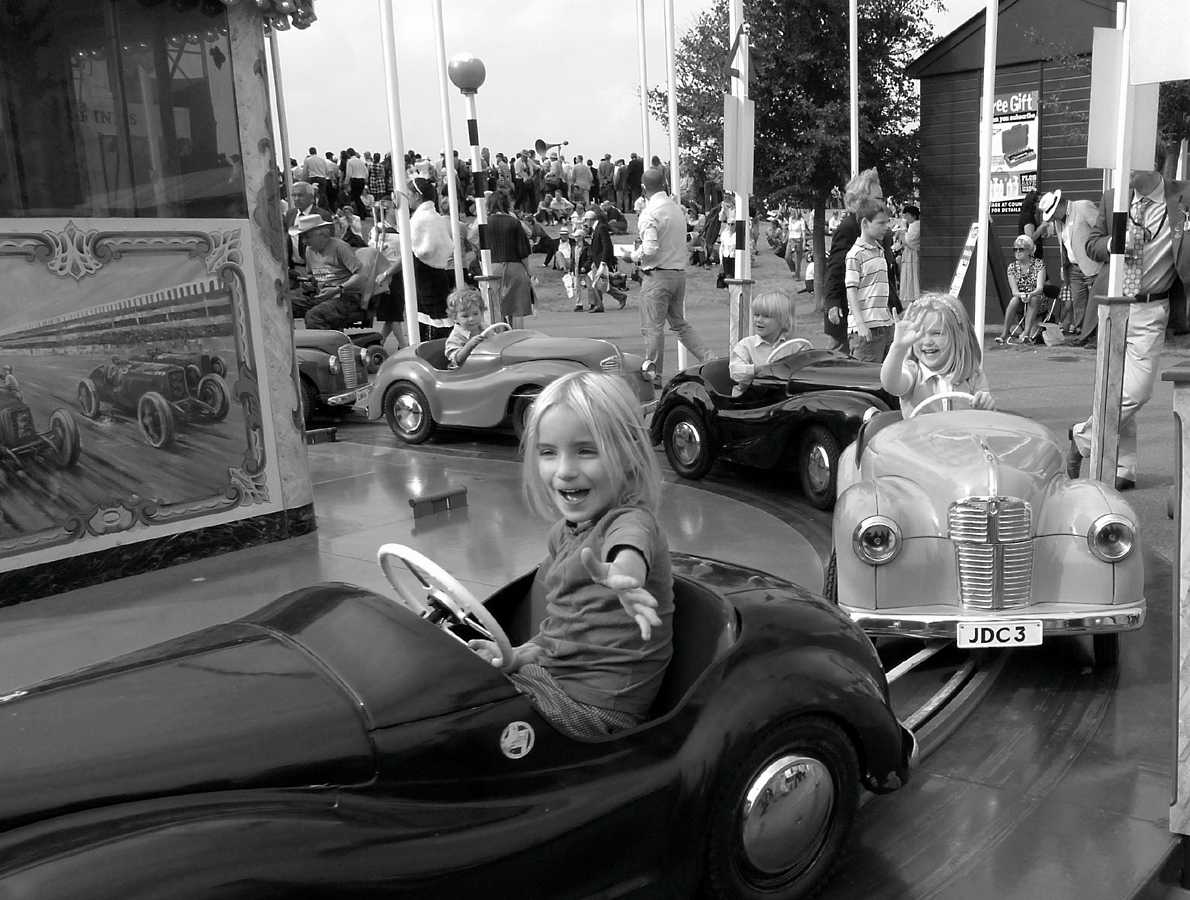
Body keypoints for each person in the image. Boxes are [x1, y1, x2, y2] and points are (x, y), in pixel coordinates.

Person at [466, 371, 672, 738]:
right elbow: (562, 628)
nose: (564, 471)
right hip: (554, 678)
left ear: (628, 456)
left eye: (586, 451)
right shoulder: (562, 534)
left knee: (467, 721)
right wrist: (516, 656)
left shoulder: (630, 520)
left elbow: (630, 548)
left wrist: (624, 574)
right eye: (549, 453)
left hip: (598, 707)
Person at [1067, 169, 1190, 491]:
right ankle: (1124, 467)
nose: (1126, 171)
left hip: (1152, 307)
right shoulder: (1113, 198)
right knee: (1116, 384)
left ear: (1151, 161)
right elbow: (1091, 245)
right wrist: (1112, 243)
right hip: (1113, 305)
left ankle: (1083, 436)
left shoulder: (1183, 196)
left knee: (1136, 391)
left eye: (1132, 163)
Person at [631, 166, 714, 384]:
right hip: (678, 274)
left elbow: (649, 248)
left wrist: (632, 256)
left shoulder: (650, 213)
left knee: (652, 328)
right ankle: (709, 358)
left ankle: (653, 375)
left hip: (657, 275)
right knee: (679, 324)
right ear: (665, 184)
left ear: (643, 188)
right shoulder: (676, 209)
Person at [881, 293, 994, 417]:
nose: (927, 341)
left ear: (958, 336)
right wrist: (898, 348)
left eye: (937, 333)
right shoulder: (913, 372)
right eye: (919, 333)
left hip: (962, 435)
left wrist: (984, 404)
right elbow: (891, 385)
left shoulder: (972, 375)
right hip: (920, 435)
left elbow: (985, 418)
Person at [826, 169, 884, 355]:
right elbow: (836, 267)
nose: (881, 203)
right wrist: (833, 303)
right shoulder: (849, 227)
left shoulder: (875, 229)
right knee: (843, 363)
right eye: (877, 198)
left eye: (882, 199)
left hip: (873, 313)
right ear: (860, 200)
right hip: (848, 312)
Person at [1037, 189, 1102, 336]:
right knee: (1079, 302)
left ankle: (1096, 335)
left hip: (1091, 263)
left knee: (1095, 302)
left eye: (1052, 214)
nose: (1052, 218)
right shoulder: (1060, 221)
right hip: (1073, 267)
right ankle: (1082, 333)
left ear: (1059, 206)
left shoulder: (1083, 207)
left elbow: (1101, 230)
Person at [293, 214, 370, 329]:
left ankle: (322, 345)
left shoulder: (340, 247)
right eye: (302, 237)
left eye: (307, 237)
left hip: (346, 297)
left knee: (314, 316)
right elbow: (312, 275)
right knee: (286, 305)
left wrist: (338, 289)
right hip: (322, 295)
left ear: (322, 234)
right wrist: (309, 283)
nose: (304, 241)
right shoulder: (309, 250)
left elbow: (361, 275)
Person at [844, 197, 894, 362]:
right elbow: (851, 290)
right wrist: (860, 324)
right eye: (881, 223)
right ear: (865, 223)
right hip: (866, 330)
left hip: (884, 325)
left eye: (887, 222)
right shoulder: (855, 254)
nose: (886, 227)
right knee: (866, 382)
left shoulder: (879, 250)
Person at [729, 290, 800, 396]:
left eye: (766, 316)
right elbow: (736, 372)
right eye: (756, 315)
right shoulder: (746, 345)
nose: (759, 320)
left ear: (783, 321)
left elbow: (805, 368)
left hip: (782, 397)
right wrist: (759, 369)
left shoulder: (794, 347)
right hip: (750, 400)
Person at [485, 191, 534, 327]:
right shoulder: (514, 222)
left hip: (493, 267)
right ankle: (517, 339)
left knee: (497, 308)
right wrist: (529, 272)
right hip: (515, 267)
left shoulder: (485, 223)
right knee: (517, 309)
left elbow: (473, 239)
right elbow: (523, 251)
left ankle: (500, 338)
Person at [996, 234, 1048, 344]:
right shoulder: (1012, 267)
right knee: (1014, 300)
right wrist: (1022, 295)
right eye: (1015, 249)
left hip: (1037, 298)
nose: (1017, 252)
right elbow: (1014, 291)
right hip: (1020, 299)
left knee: (1034, 298)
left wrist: (1030, 294)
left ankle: (1026, 333)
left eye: (1021, 249)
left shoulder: (1038, 264)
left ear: (1029, 251)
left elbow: (1040, 288)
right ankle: (1005, 333)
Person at [443, 288, 488, 368]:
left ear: (481, 312)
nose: (471, 318)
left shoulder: (485, 328)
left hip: (485, 365)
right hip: (464, 373)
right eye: (465, 316)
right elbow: (457, 359)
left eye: (475, 313)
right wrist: (469, 345)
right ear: (455, 318)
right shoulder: (456, 337)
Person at [584, 207, 617, 313]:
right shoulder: (596, 228)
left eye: (586, 220)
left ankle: (599, 305)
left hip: (600, 261)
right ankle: (599, 304)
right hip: (596, 260)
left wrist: (603, 261)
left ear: (590, 220)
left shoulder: (601, 227)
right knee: (598, 283)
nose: (585, 223)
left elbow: (607, 245)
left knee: (598, 283)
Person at [897, 204, 921, 306]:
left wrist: (902, 233)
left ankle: (914, 298)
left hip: (912, 254)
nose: (906, 218)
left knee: (912, 275)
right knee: (910, 275)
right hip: (910, 254)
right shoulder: (913, 225)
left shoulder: (916, 225)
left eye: (907, 215)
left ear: (914, 216)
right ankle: (913, 298)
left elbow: (908, 240)